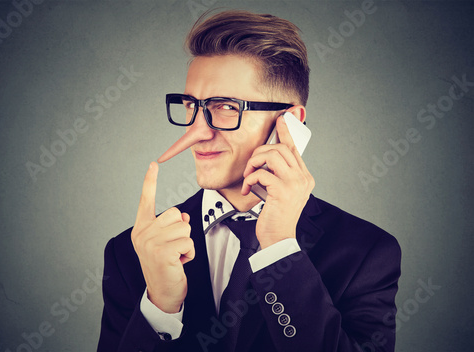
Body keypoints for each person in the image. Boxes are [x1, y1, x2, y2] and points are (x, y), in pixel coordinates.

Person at [97, 10, 401, 352]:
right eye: (189, 105)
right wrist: (160, 309)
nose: (196, 132)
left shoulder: (366, 252)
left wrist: (279, 247)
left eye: (225, 106)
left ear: (289, 122)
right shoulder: (134, 252)